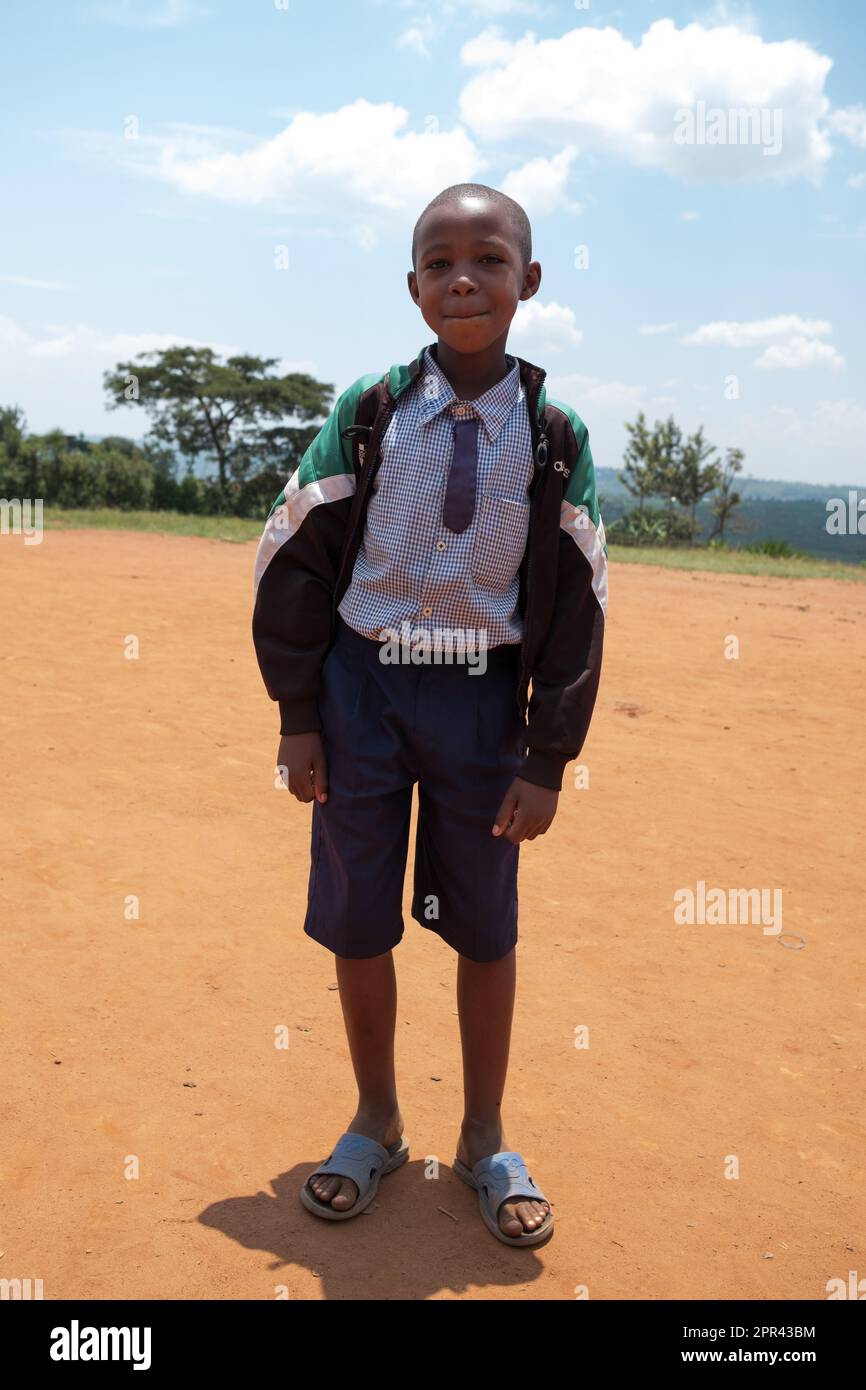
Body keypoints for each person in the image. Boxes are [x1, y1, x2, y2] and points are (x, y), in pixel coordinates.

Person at [252, 182, 607, 1246]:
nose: (464, 277)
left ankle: (484, 1135)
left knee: (480, 923)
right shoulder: (369, 410)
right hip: (362, 691)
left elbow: (580, 601)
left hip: (480, 700)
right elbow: (295, 559)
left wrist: (546, 757)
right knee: (359, 914)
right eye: (440, 261)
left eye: (488, 259)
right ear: (412, 289)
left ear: (526, 282)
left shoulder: (553, 434)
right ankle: (375, 1119)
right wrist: (298, 712)